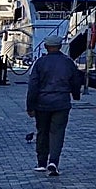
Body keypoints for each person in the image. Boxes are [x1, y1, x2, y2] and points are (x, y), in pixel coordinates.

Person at [26, 35, 83, 176]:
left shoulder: (40, 63)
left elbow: (33, 85)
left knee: (42, 132)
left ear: (46, 46)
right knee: (57, 133)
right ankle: (54, 162)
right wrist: (75, 95)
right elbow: (76, 81)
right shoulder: (68, 62)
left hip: (42, 103)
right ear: (60, 46)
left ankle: (41, 163)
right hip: (61, 103)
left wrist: (30, 106)